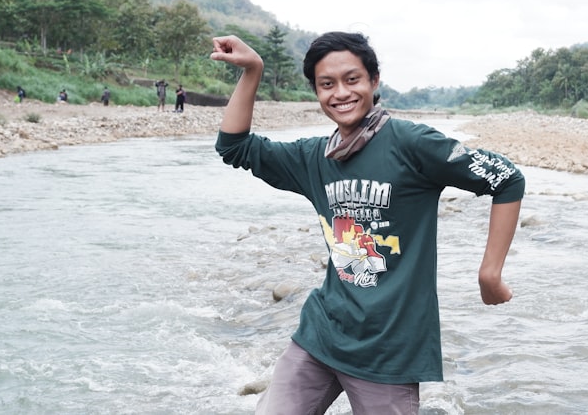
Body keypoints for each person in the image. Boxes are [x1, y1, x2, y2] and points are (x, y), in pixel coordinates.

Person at [212, 31, 524, 414]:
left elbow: (506, 178)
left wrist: (489, 273)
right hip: (320, 337)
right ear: (316, 92)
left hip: (389, 354)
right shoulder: (315, 159)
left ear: (374, 82)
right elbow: (234, 146)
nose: (341, 92)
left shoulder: (412, 143)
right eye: (327, 84)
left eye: (352, 79)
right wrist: (252, 70)